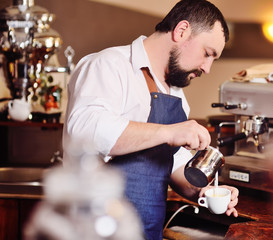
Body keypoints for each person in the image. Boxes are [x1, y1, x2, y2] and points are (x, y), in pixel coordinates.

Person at [62, 0, 239, 239]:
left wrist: (205, 192)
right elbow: (85, 131)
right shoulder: (109, 65)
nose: (207, 68)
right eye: (207, 54)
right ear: (181, 31)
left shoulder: (177, 94)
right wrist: (168, 132)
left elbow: (172, 163)